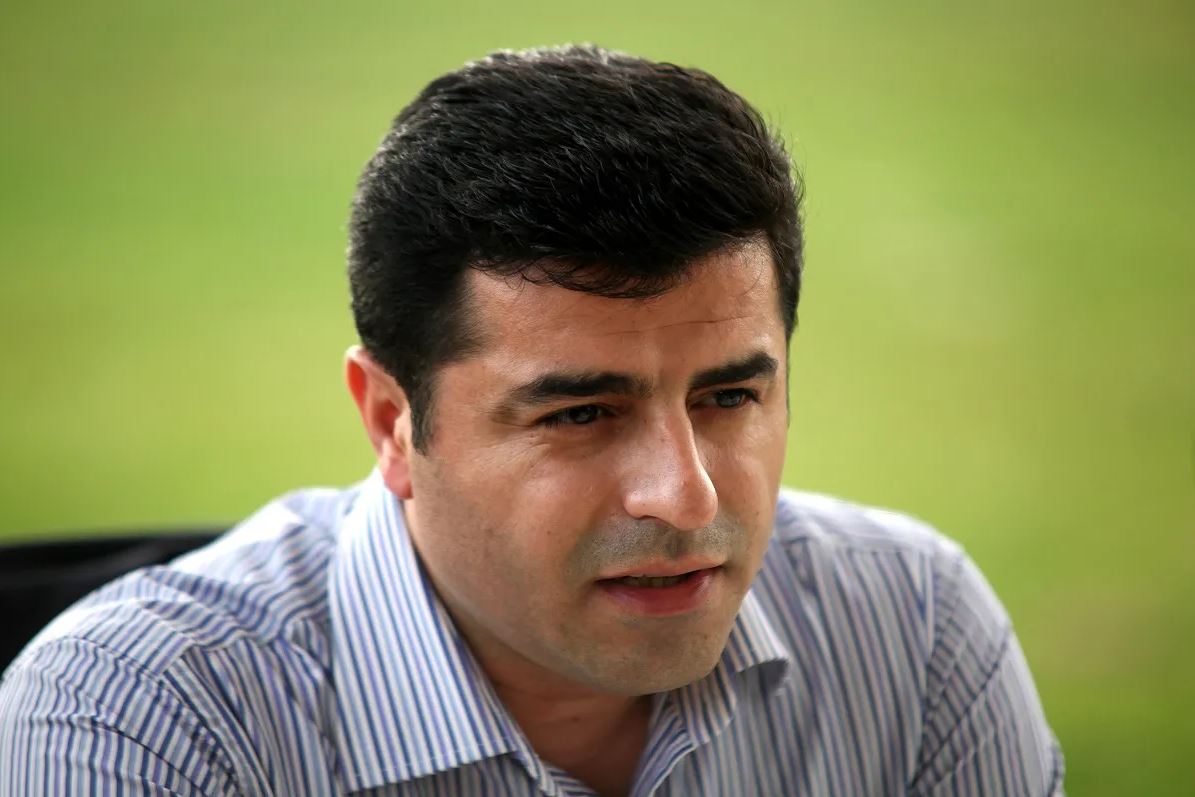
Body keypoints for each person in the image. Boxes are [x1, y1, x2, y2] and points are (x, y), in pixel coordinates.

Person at [0, 45, 1063, 796]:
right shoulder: (142, 717)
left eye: (728, 396)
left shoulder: (912, 626)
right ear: (391, 420)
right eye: (583, 411)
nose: (684, 494)